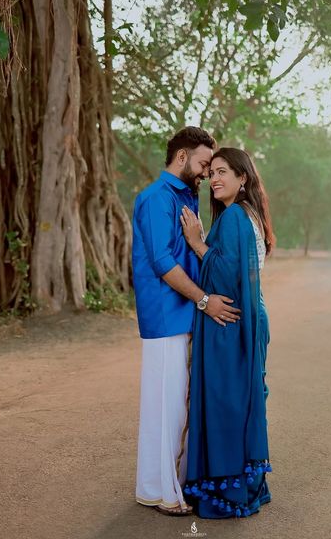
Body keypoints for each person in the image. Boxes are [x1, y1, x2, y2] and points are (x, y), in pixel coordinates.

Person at [132, 128, 242, 516]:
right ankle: (166, 494)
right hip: (166, 315)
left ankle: (152, 485)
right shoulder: (154, 198)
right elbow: (162, 262)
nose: (205, 174)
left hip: (186, 314)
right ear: (181, 156)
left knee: (174, 406)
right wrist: (205, 300)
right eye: (201, 164)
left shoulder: (185, 197)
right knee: (167, 407)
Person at [180, 147, 275, 519]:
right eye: (212, 172)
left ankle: (230, 493)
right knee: (241, 401)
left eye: (223, 171)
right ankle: (243, 485)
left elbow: (226, 277)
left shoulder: (235, 216)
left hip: (232, 321)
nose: (215, 179)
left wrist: (197, 243)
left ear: (242, 178)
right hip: (249, 318)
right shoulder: (249, 215)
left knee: (227, 405)